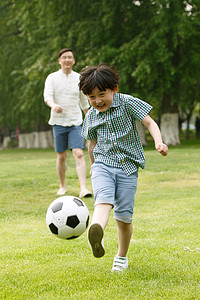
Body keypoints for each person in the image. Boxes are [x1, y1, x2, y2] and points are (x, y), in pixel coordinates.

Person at [79, 63, 168, 273]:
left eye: (102, 94)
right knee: (103, 201)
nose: (98, 101)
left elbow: (149, 123)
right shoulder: (91, 115)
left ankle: (121, 256)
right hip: (102, 164)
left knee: (124, 217)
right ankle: (97, 230)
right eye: (92, 97)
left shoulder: (127, 102)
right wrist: (93, 165)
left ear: (114, 89)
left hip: (128, 167)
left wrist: (159, 142)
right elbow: (91, 144)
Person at [43, 48, 92, 198]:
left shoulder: (79, 78)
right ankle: (62, 186)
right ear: (59, 61)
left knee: (78, 153)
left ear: (74, 61)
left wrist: (90, 119)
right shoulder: (52, 78)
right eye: (64, 57)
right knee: (61, 155)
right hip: (58, 122)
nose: (67, 60)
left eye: (70, 57)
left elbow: (84, 102)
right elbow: (47, 96)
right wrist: (53, 106)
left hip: (75, 122)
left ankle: (83, 188)